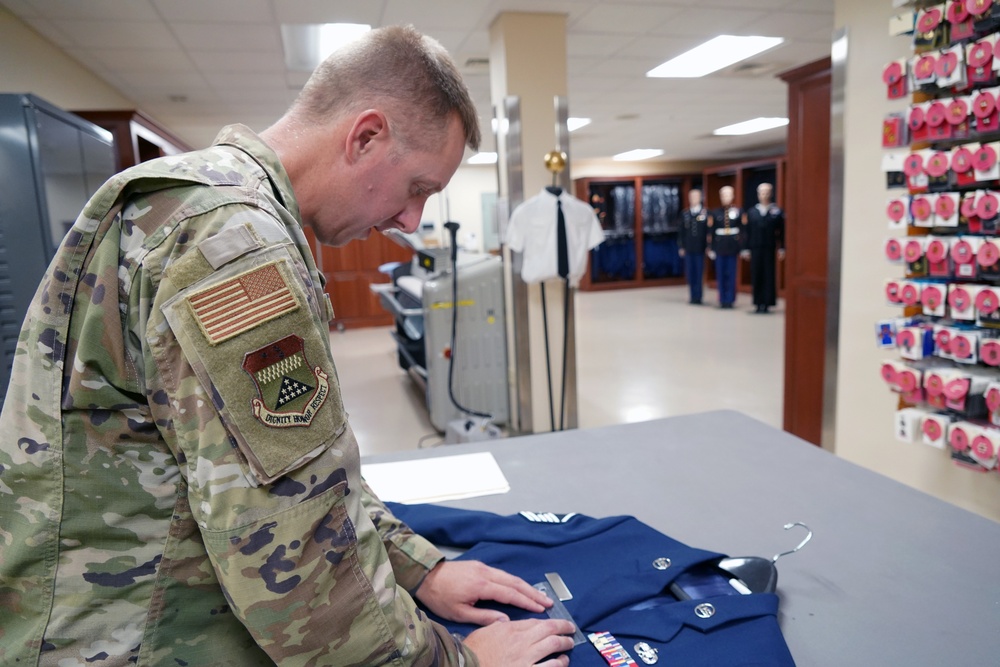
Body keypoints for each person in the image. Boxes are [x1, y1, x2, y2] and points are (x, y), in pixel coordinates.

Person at [0, 26, 574, 667]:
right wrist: (458, 662)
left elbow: (307, 470)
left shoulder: (202, 202)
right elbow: (288, 541)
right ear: (365, 136)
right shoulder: (235, 244)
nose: (411, 221)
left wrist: (419, 569)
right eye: (417, 188)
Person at [742, 183, 785, 314]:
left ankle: (767, 303)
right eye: (762, 192)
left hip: (769, 247)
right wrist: (745, 248)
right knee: (756, 275)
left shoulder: (777, 212)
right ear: (758, 194)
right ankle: (758, 303)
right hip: (755, 248)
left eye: (767, 192)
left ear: (771, 193)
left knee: (769, 275)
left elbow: (782, 232)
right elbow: (746, 232)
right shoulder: (752, 212)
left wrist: (783, 248)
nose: (764, 195)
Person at [708, 185, 743, 309]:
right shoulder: (715, 212)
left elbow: (742, 230)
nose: (726, 197)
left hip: (732, 246)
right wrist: (711, 248)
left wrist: (742, 247)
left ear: (733, 196)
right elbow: (711, 231)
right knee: (721, 274)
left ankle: (730, 299)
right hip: (719, 246)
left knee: (732, 274)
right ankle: (722, 298)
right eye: (723, 195)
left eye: (728, 194)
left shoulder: (738, 211)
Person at [678, 188, 709, 304]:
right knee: (690, 272)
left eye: (696, 197)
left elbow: (708, 232)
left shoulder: (705, 213)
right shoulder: (685, 214)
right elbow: (681, 232)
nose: (693, 199)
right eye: (691, 197)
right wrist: (681, 246)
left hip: (700, 248)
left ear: (700, 198)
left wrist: (708, 246)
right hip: (689, 247)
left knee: (699, 272)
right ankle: (692, 296)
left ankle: (699, 296)